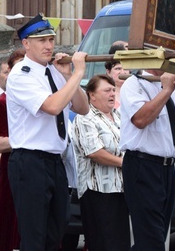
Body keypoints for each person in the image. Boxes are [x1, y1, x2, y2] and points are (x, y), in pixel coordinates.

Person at [5, 15, 89, 250]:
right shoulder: (21, 74)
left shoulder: (53, 72)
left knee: (58, 228)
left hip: (54, 161)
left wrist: (68, 74)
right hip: (29, 161)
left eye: (51, 39)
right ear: (26, 44)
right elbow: (52, 107)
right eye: (41, 40)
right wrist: (80, 74)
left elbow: (82, 108)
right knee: (34, 234)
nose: (49, 46)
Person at [119, 63, 175, 249]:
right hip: (142, 165)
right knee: (151, 238)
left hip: (167, 168)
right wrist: (166, 91)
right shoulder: (134, 84)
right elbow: (141, 119)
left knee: (159, 234)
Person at [70, 74, 129, 251]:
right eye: (106, 90)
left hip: (121, 188)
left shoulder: (118, 115)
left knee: (121, 242)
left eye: (113, 90)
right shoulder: (85, 117)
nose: (112, 94)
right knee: (104, 242)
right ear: (92, 95)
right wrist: (124, 164)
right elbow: (94, 152)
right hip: (98, 190)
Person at [0, 49, 24, 251]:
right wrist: (31, 139)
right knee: (11, 221)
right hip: (13, 167)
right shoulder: (2, 102)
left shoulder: (44, 97)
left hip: (40, 168)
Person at [104, 41, 127, 109]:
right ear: (108, 72)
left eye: (126, 69)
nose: (122, 72)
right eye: (118, 69)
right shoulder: (104, 94)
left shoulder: (136, 90)